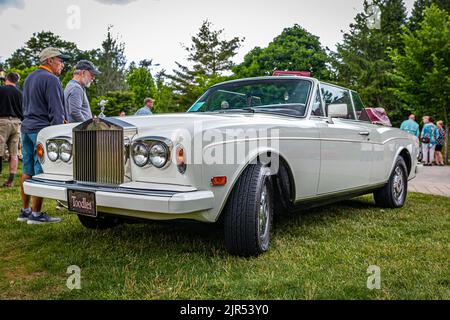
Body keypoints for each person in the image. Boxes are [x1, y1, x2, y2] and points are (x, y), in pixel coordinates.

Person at [19, 47, 69, 224]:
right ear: (50, 61)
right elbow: (57, 111)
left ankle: (24, 211)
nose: (62, 64)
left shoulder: (29, 78)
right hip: (41, 131)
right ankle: (37, 215)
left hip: (26, 128)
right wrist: (58, 134)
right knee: (40, 171)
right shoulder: (52, 79)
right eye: (60, 60)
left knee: (27, 170)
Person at [0, 72, 22, 187]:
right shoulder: (20, 93)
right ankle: (10, 180)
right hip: (17, 122)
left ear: (6, 79)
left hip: (2, 121)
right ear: (16, 80)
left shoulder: (1, 90)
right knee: (14, 153)